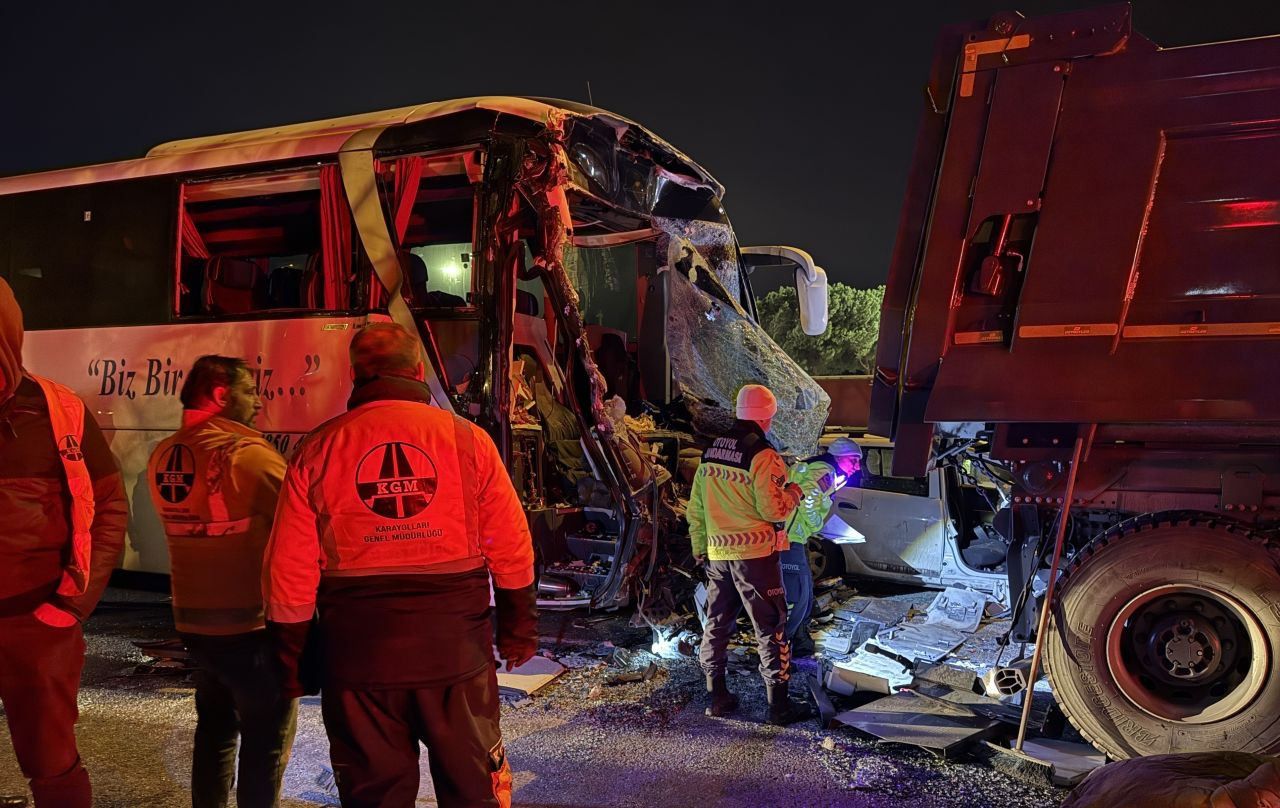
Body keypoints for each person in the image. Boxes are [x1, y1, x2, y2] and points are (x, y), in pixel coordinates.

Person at [263, 322, 537, 808]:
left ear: (355, 374)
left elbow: (290, 569)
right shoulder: (466, 440)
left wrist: (294, 659)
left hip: (359, 662)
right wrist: (517, 624)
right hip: (456, 658)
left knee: (374, 795)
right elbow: (510, 543)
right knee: (474, 789)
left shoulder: (318, 448)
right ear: (416, 370)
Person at [145, 356, 297, 808]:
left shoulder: (166, 453)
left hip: (196, 625)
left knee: (214, 731)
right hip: (250, 626)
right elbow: (301, 522)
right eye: (250, 391)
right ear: (221, 395)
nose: (258, 401)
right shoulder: (243, 455)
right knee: (264, 744)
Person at [0, 278, 128, 807]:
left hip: (38, 622)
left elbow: (110, 508)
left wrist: (71, 606)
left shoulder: (59, 410)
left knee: (52, 765)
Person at [688, 383, 812, 725]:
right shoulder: (763, 455)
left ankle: (718, 698)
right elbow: (773, 509)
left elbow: (696, 507)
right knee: (770, 626)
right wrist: (794, 493)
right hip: (755, 556)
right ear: (767, 417)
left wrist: (699, 545)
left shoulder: (711, 450)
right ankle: (779, 706)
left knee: (716, 624)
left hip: (717, 553)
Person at [781, 437, 863, 657]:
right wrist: (815, 524)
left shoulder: (822, 471)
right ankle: (783, 645)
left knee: (804, 591)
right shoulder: (824, 472)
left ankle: (799, 641)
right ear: (839, 457)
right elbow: (806, 499)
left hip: (794, 537)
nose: (857, 465)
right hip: (789, 540)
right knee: (797, 594)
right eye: (853, 460)